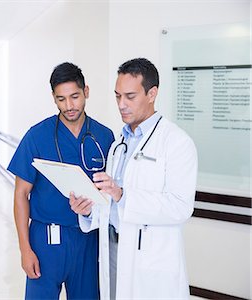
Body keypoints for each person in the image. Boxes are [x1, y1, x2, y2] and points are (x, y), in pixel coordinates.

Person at [70, 58, 198, 299]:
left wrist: (123, 194)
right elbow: (111, 205)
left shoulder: (176, 142)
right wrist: (87, 210)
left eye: (130, 96)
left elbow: (180, 207)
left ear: (152, 93)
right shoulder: (119, 143)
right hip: (113, 250)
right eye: (117, 96)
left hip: (150, 258)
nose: (121, 104)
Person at [8, 62, 114, 299]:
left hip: (89, 240)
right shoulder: (37, 136)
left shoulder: (104, 137)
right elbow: (20, 194)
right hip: (46, 239)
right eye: (61, 99)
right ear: (54, 98)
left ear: (86, 91)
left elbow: (111, 191)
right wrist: (25, 249)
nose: (69, 106)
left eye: (74, 97)